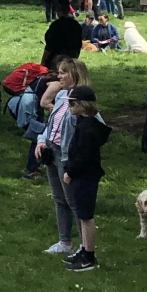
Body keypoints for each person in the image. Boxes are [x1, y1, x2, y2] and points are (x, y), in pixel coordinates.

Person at [35, 59, 89, 255]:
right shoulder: (61, 96)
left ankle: (85, 245)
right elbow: (51, 123)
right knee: (59, 199)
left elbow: (94, 129)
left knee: (72, 200)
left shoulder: (83, 100)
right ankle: (64, 242)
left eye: (63, 73)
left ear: (74, 75)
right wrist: (42, 140)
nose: (59, 76)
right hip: (52, 149)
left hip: (67, 155)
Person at [59, 85, 110, 272]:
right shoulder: (83, 123)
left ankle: (89, 255)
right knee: (81, 214)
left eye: (72, 103)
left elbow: (82, 156)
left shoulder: (87, 129)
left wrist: (69, 172)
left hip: (85, 176)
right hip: (84, 174)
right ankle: (84, 250)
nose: (70, 107)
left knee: (86, 216)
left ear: (82, 105)